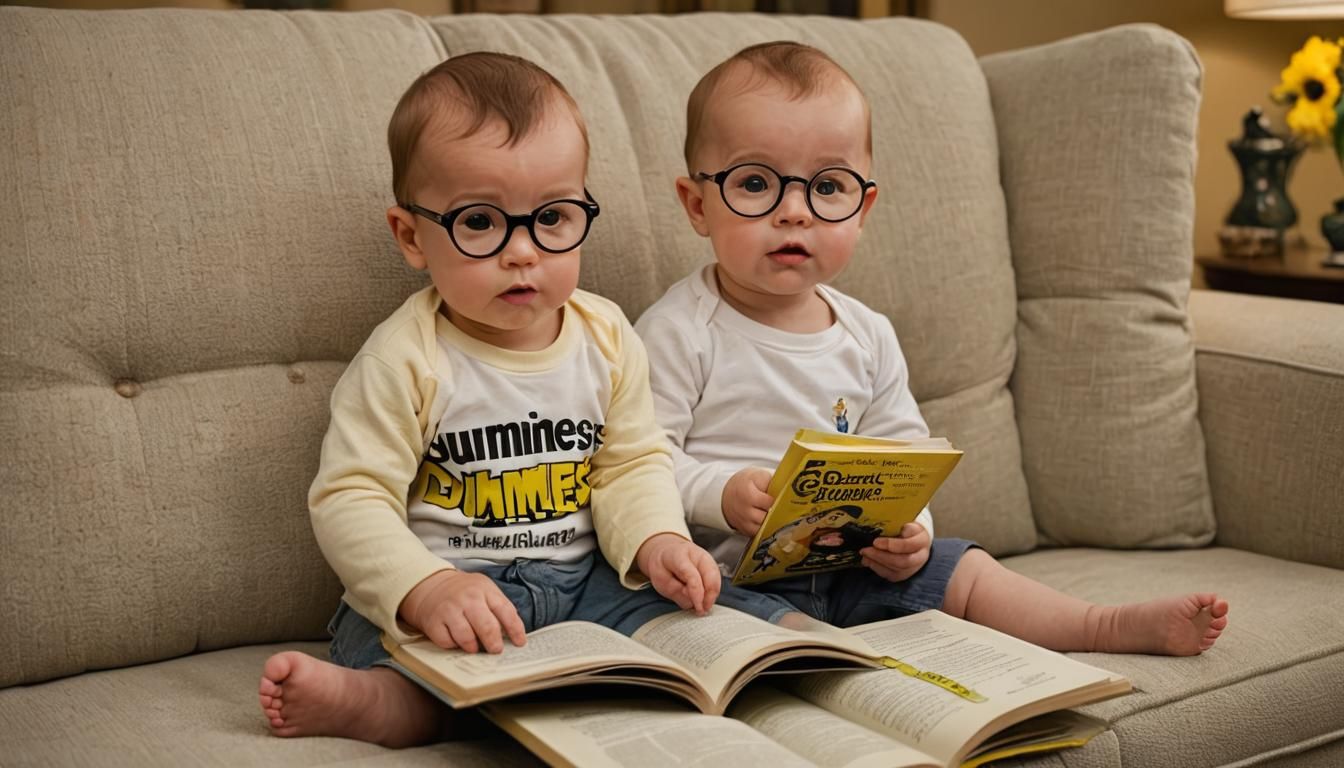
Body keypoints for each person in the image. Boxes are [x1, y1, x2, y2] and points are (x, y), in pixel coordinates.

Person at [257, 52, 800, 748]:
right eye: (481, 222)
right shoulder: (406, 358)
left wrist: (657, 538)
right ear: (411, 236)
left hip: (584, 578)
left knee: (704, 613)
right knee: (422, 659)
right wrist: (423, 588)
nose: (522, 251)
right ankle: (378, 702)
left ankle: (793, 646)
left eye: (552, 217)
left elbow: (631, 465)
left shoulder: (606, 337)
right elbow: (351, 497)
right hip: (458, 582)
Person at [636, 41, 1229, 657]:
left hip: (850, 570)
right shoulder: (680, 330)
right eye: (756, 183)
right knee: (696, 608)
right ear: (697, 205)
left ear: (862, 209)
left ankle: (1100, 626)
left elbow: (904, 460)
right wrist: (720, 494)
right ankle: (812, 654)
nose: (794, 212)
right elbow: (638, 463)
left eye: (828, 186)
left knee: (964, 568)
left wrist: (911, 532)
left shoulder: (867, 334)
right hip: (726, 577)